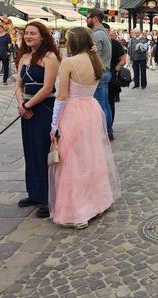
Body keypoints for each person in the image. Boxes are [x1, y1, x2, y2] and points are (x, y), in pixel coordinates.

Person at [48, 27, 121, 229]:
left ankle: (79, 210)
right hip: (91, 110)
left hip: (73, 112)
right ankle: (99, 201)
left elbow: (61, 96)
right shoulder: (94, 60)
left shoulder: (69, 63)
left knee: (72, 160)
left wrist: (54, 124)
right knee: (92, 156)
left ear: (73, 42)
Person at [15, 22, 61, 219]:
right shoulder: (23, 56)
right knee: (30, 151)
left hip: (43, 109)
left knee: (43, 152)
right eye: (26, 33)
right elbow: (18, 84)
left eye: (33, 33)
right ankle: (34, 192)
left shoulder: (50, 57)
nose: (28, 36)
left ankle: (47, 197)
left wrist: (28, 105)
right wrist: (21, 105)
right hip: (26, 109)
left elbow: (48, 88)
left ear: (42, 36)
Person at [86, 9, 113, 137]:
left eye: (88, 17)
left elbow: (97, 56)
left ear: (94, 19)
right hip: (106, 71)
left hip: (100, 72)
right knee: (106, 104)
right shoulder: (104, 32)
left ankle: (104, 132)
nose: (87, 20)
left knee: (100, 105)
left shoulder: (97, 34)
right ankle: (108, 130)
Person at [106, 25, 126, 135]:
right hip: (106, 76)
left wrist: (115, 70)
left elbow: (123, 60)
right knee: (108, 103)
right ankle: (108, 128)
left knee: (109, 102)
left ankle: (109, 128)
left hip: (110, 76)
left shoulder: (115, 44)